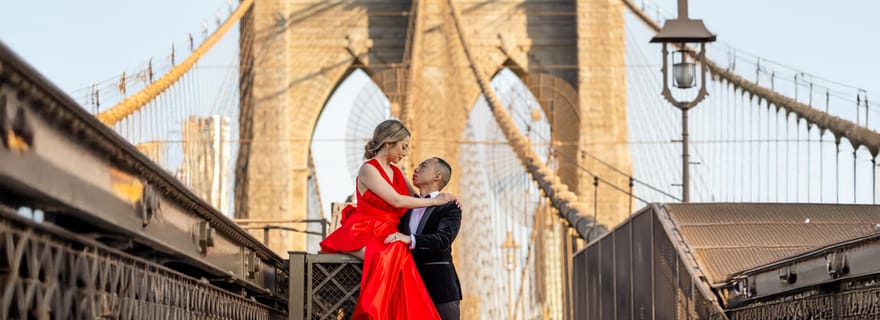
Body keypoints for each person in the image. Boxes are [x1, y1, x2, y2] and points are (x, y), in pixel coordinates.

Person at [319, 119, 457, 320]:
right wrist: (436, 202)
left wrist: (447, 199)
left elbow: (418, 199)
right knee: (394, 251)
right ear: (388, 142)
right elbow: (397, 200)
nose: (405, 153)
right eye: (403, 146)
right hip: (364, 230)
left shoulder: (397, 173)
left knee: (399, 252)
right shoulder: (368, 169)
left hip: (389, 233)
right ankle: (374, 313)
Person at [385, 157, 462, 320]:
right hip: (407, 288)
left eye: (423, 166)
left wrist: (410, 239)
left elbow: (443, 240)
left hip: (440, 288)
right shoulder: (405, 207)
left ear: (437, 176)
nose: (416, 169)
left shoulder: (450, 206)